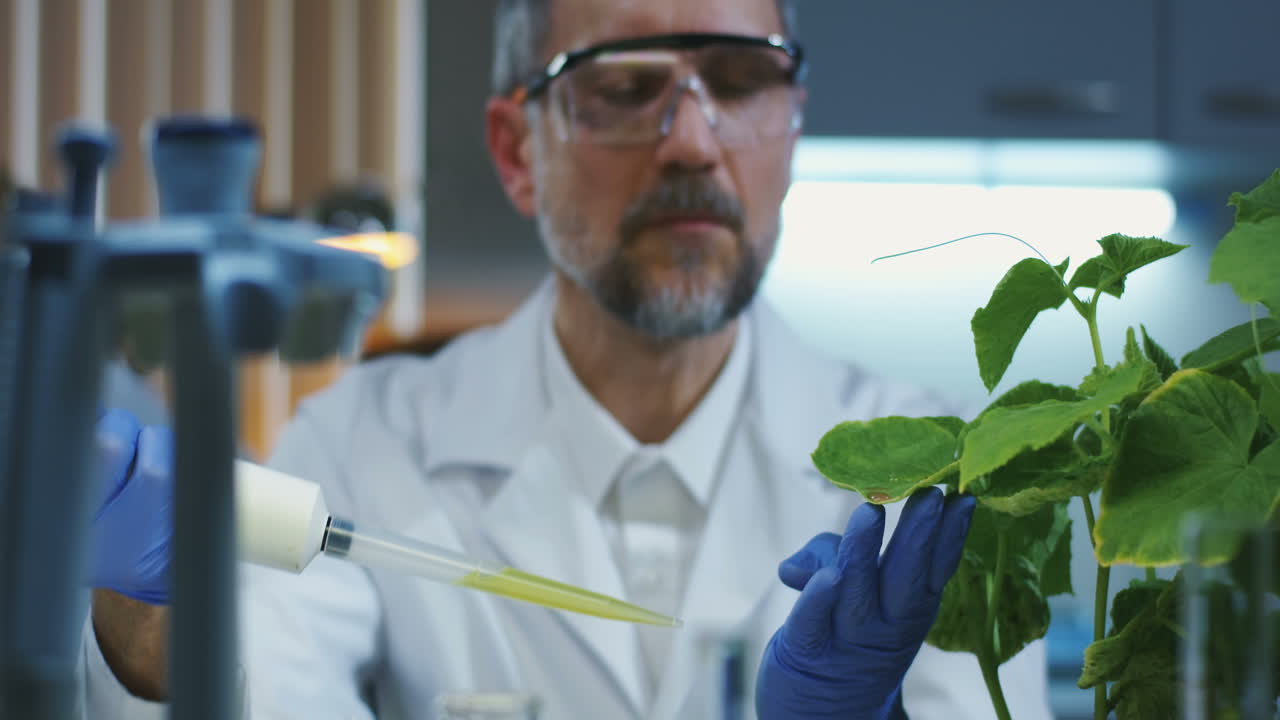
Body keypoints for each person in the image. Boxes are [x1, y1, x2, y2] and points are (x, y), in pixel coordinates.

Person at [81, 0, 1054, 718]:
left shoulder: (924, 482)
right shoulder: (357, 443)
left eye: (741, 81)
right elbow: (271, 682)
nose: (689, 141)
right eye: (624, 88)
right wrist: (153, 627)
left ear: (791, 123)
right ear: (515, 151)